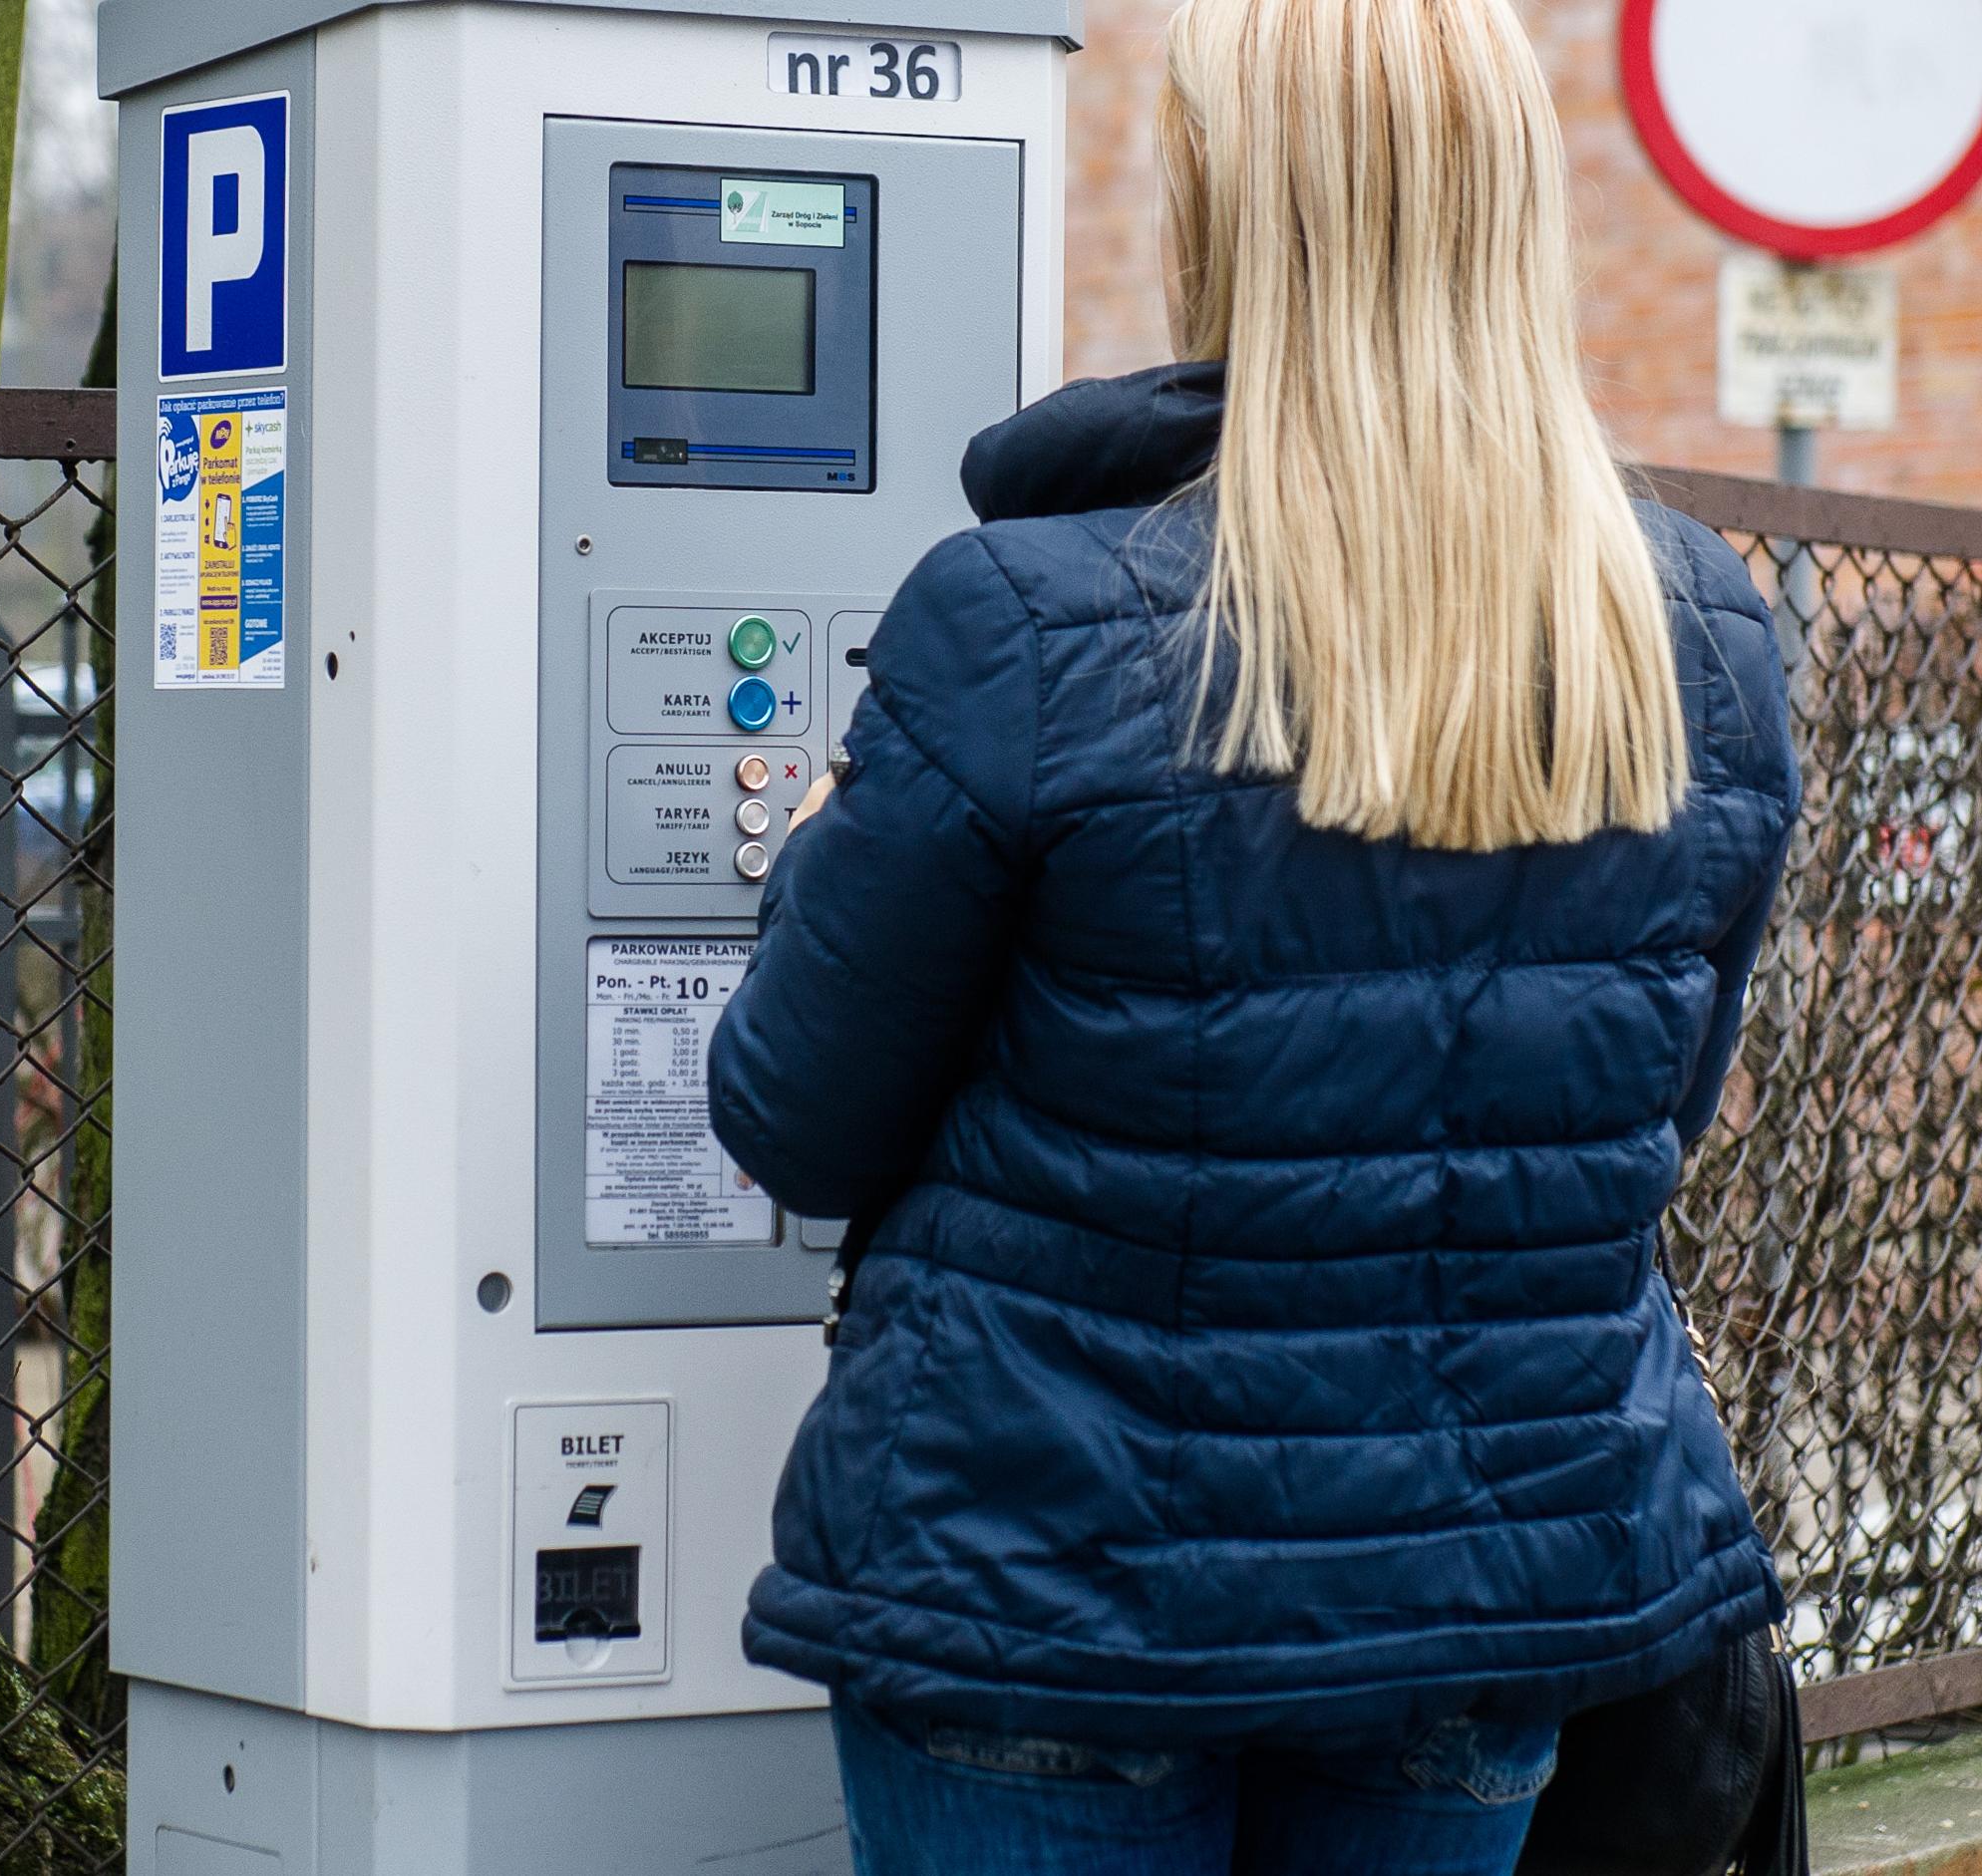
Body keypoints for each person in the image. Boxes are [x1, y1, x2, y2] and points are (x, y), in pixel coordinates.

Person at [705, 1, 1800, 1870]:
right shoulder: (1686, 636)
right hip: (1472, 1598)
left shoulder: (1025, 626)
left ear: (1217, 207)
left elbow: (793, 1115)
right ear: (1512, 211)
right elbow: (1635, 1131)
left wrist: (814, 855)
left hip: (1054, 1588)